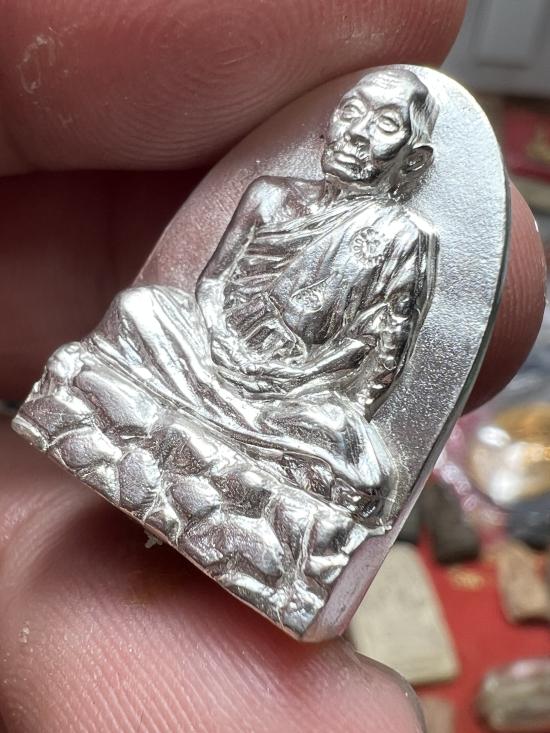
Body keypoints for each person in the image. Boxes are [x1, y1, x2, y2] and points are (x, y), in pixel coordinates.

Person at [0, 1, 545, 731]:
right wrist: (228, 350)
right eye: (350, 116)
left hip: (300, 401)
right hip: (214, 360)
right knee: (141, 311)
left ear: (414, 161)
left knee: (362, 466)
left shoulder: (405, 239)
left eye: (383, 125)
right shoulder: (270, 194)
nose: (357, 134)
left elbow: (378, 363)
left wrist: (298, 384)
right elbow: (211, 287)